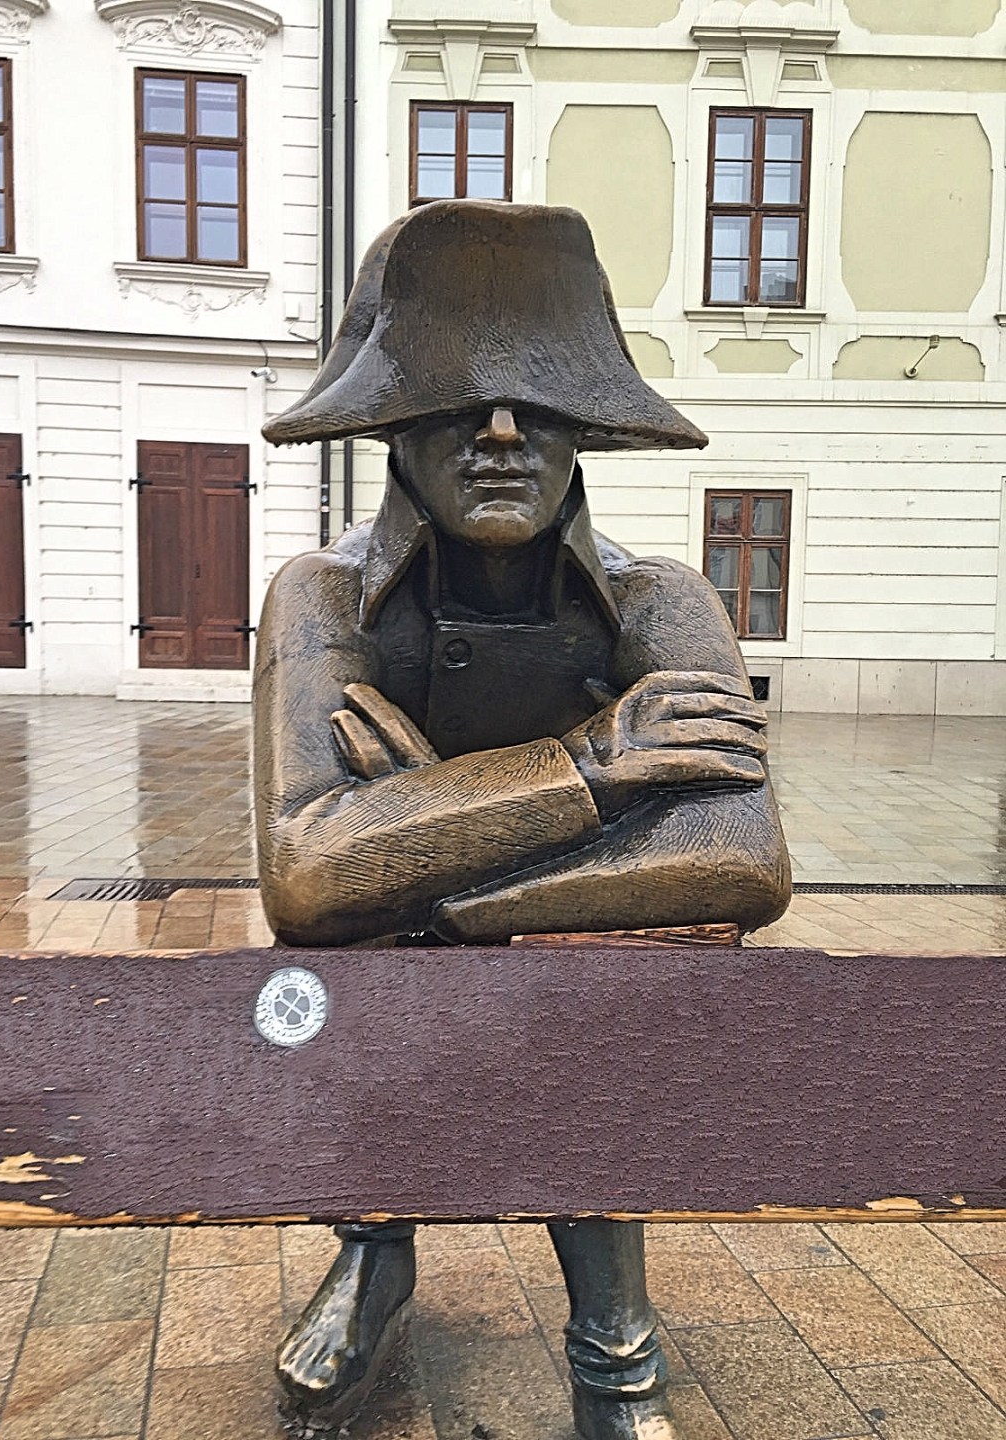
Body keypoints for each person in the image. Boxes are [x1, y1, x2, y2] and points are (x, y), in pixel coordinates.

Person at [255, 200, 790, 1440]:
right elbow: (305, 873)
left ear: (584, 424)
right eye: (457, 405)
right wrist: (595, 771)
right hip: (379, 1003)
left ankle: (616, 1352)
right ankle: (376, 1246)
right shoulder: (323, 597)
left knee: (581, 999)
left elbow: (741, 856)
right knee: (363, 967)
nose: (501, 437)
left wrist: (432, 863)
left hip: (570, 1000)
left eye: (539, 405)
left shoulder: (663, 602)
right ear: (393, 423)